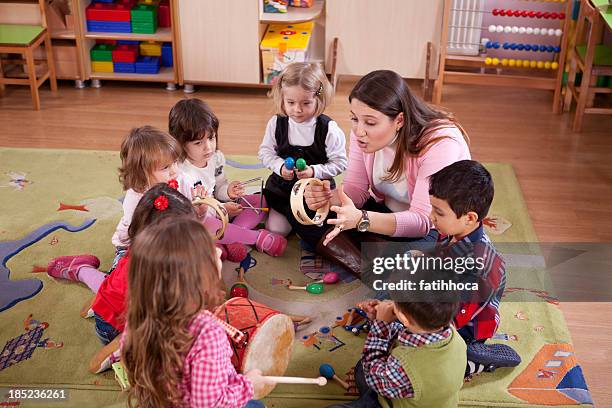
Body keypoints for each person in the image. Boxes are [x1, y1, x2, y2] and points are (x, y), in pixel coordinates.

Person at [304, 70, 471, 277]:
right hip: (383, 213)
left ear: (399, 120)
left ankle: (375, 263)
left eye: (371, 123)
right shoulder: (361, 133)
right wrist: (328, 199)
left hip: (433, 230)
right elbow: (356, 189)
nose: (359, 131)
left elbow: (422, 221)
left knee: (414, 268)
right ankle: (374, 266)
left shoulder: (441, 143)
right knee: (310, 217)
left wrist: (360, 220)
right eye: (354, 119)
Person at [121, 216, 273, 407]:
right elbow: (210, 404)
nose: (218, 250)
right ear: (195, 276)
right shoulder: (207, 333)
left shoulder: (139, 314)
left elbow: (129, 359)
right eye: (210, 251)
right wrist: (249, 385)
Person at [45, 183, 197, 345]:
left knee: (108, 286)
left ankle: (81, 270)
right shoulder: (149, 276)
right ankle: (80, 271)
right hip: (113, 327)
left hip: (117, 298)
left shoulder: (150, 247)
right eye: (184, 235)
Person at [427, 160, 520, 377]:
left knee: (430, 369)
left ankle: (476, 360)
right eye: (432, 208)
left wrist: (408, 319)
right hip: (446, 300)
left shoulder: (481, 267)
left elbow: (454, 320)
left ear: (469, 218)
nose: (432, 216)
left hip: (466, 328)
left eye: (439, 212)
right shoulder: (452, 233)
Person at [169, 98, 287, 258]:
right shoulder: (181, 172)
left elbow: (219, 188)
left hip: (218, 211)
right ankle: (253, 238)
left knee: (261, 201)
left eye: (211, 138)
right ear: (180, 144)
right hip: (199, 219)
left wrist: (229, 192)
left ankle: (229, 240)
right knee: (205, 224)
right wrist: (222, 209)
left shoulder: (215, 158)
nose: (208, 147)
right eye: (198, 143)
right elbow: (190, 213)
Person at [258, 62, 347, 244]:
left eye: (306, 103)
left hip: (315, 194)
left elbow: (340, 163)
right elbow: (265, 152)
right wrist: (280, 166)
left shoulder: (329, 129)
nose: (297, 110)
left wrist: (314, 172)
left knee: (310, 233)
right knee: (277, 230)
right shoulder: (276, 123)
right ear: (282, 98)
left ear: (319, 99)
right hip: (282, 191)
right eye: (290, 102)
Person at [328, 297, 466, 408]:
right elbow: (407, 335)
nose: (390, 303)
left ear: (404, 318)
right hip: (433, 398)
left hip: (395, 397)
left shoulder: (406, 365)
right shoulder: (451, 332)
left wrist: (381, 324)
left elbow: (371, 371)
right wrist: (380, 319)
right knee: (361, 368)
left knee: (366, 369)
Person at [111, 125, 189, 268]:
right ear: (142, 172)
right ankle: (80, 269)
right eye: (165, 167)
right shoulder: (135, 199)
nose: (174, 171)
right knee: (127, 280)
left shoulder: (180, 179)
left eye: (175, 162)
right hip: (136, 243)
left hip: (170, 235)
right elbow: (138, 235)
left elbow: (189, 209)